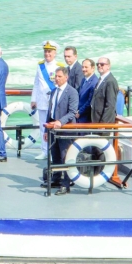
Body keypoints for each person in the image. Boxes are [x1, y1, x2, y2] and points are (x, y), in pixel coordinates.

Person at [43, 67, 79, 195]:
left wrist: (60, 122)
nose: (56, 79)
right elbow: (50, 111)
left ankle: (66, 184)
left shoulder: (72, 92)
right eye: (55, 77)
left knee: (65, 156)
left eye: (59, 76)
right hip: (53, 128)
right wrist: (46, 129)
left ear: (66, 77)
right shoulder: (53, 92)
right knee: (55, 155)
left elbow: (72, 112)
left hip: (65, 129)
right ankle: (56, 179)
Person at [31, 40, 63, 160]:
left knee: (53, 126)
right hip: (42, 101)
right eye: (45, 51)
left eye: (49, 51)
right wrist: (33, 99)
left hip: (54, 101)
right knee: (42, 127)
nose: (47, 54)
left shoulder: (60, 66)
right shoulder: (40, 66)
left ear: (55, 53)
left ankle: (53, 151)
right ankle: (44, 151)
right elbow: (36, 84)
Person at [91, 57, 119, 125]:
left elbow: (110, 105)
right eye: (98, 64)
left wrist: (103, 123)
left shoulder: (110, 81)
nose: (99, 66)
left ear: (108, 66)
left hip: (103, 122)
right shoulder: (101, 79)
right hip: (96, 119)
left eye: (102, 64)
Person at [77, 58, 99, 123]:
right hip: (79, 115)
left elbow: (90, 101)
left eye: (86, 67)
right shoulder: (84, 79)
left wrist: (80, 112)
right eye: (82, 67)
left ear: (93, 68)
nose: (84, 69)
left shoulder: (95, 82)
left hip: (86, 117)